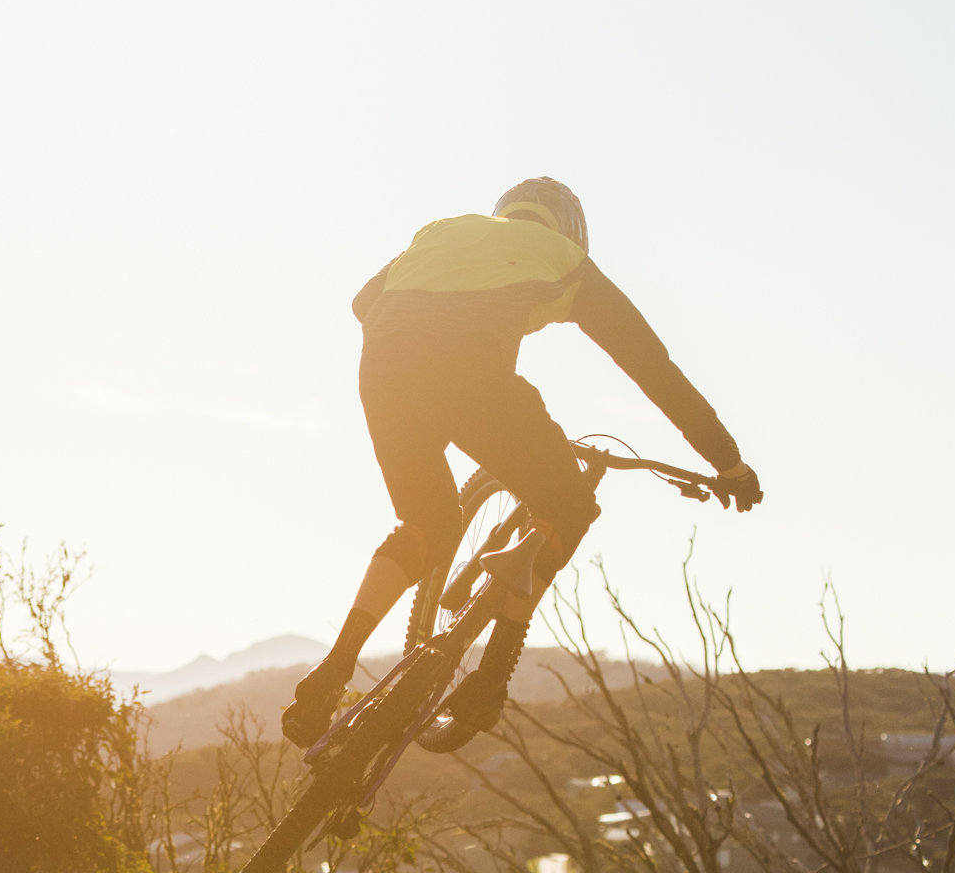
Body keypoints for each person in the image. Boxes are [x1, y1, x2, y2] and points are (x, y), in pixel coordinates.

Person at [283, 177, 764, 748]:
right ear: (570, 229)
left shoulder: (443, 230)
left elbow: (364, 302)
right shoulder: (565, 259)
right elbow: (652, 367)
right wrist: (727, 462)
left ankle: (335, 665)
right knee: (570, 507)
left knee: (428, 525)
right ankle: (488, 682)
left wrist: (424, 350)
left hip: (382, 370)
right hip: (470, 376)